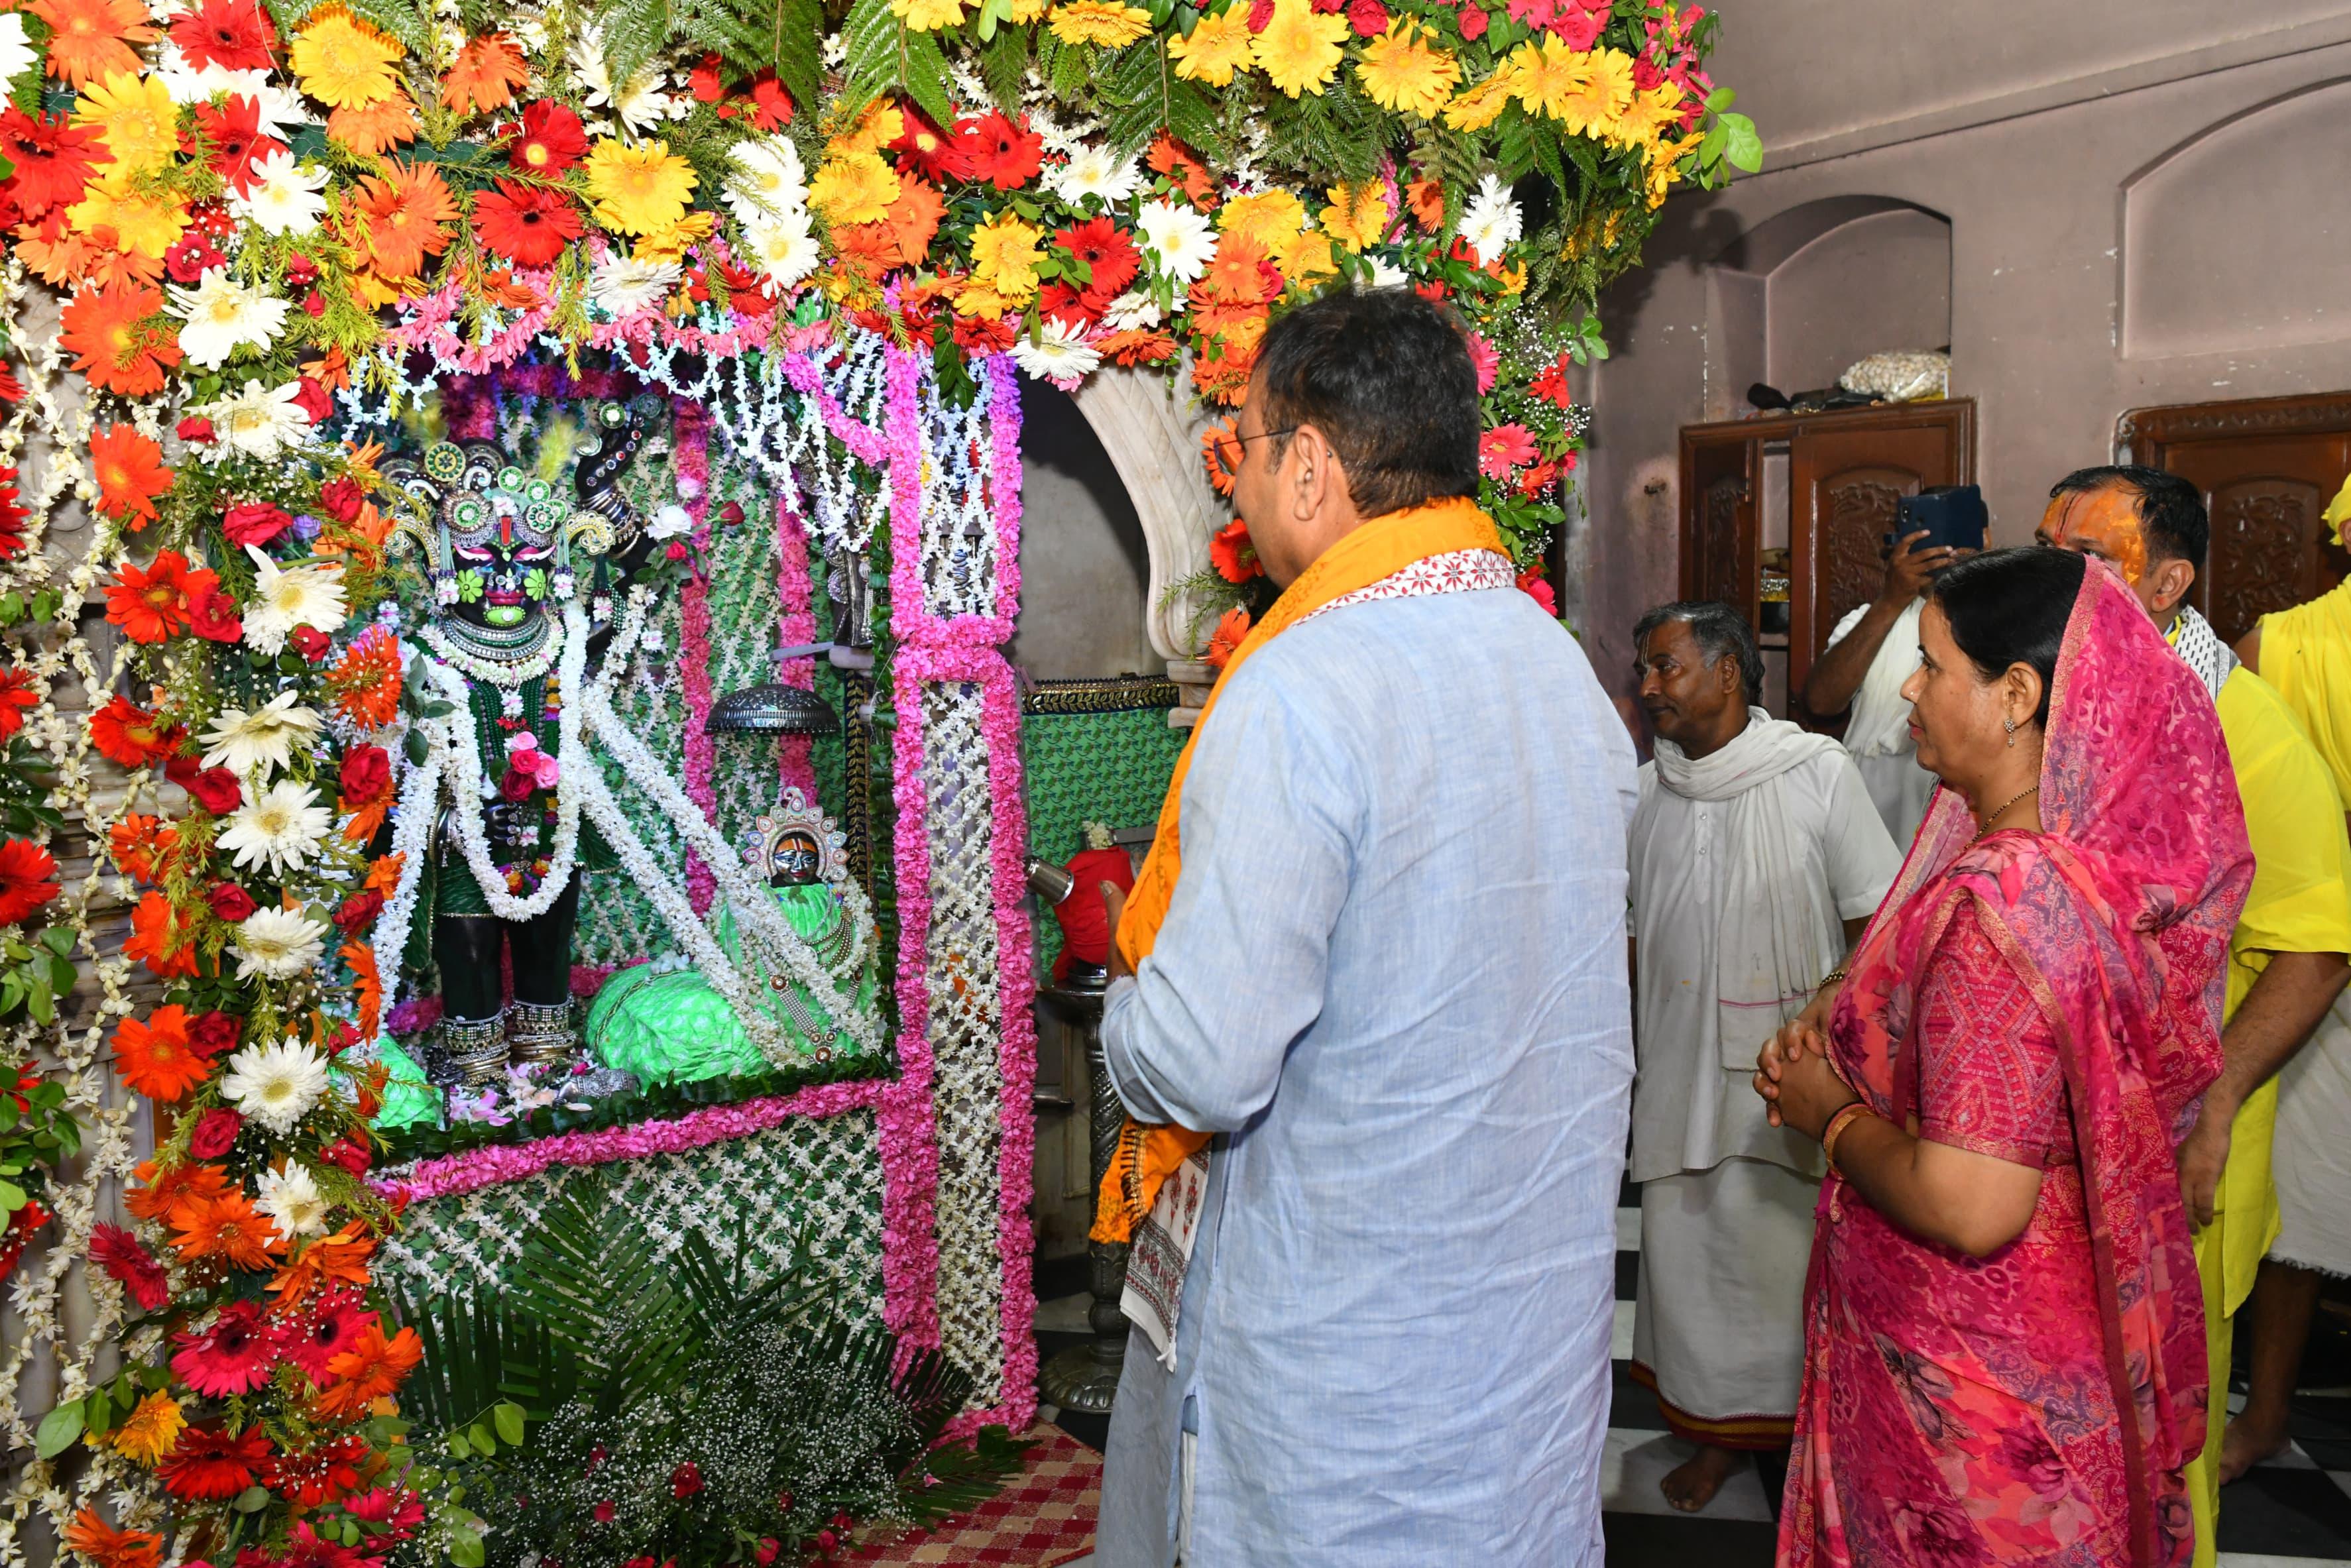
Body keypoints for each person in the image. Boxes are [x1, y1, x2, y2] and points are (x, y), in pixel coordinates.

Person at [1086, 288, 1638, 1567]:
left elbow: (1207, 1057)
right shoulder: (1554, 663)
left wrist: (1127, 994)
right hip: (1519, 1336)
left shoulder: (1303, 682)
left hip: (1343, 1372)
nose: (1232, 493)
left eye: (1242, 450)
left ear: (1313, 466)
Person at [1756, 547, 2252, 1568]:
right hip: (2031, 1358)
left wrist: (1829, 1113)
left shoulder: (2002, 914)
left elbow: (1971, 1202)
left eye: (1933, 665)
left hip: (1974, 1405)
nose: (1908, 685)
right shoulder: (2069, 876)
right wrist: (1841, 1019)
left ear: (2015, 693)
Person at [2038, 466, 2351, 1562]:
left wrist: (2215, 1098)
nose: (2051, 580)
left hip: (2183, 1137)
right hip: (2058, 1135)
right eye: (2047, 550)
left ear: (2167, 582)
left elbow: (2316, 944)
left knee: (2154, 1439)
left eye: (2088, 561)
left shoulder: (2239, 722)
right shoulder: (2051, 699)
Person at [1626, 600, 1900, 1511]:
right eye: (1644, 669)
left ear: (1729, 673)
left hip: (1786, 1076)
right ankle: (1712, 1434)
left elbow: (1875, 919)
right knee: (1689, 1256)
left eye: (1665, 666)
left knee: (1782, 1261)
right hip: (1673, 1069)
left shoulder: (1814, 771)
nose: (1647, 685)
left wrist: (1831, 1031)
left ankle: (1802, 1444)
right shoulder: (1645, 790)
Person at [2224, 469, 2351, 1482]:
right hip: (2311, 960)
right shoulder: (2282, 645)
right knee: (2296, 1200)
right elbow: (2234, 814)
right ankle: (2262, 1414)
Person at [1802, 527, 1967, 844]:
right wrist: (1892, 601)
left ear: (1982, 537)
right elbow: (1821, 703)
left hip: (1953, 809)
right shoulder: (1868, 619)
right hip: (1870, 807)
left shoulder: (1993, 621)